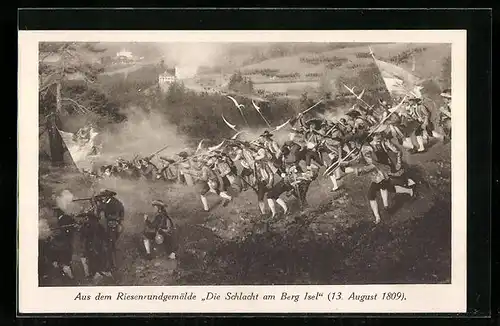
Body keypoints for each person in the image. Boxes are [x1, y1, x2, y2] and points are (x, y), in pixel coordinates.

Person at [347, 133, 415, 224]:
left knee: (371, 194)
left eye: (351, 143)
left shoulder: (366, 149)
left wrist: (359, 170)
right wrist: (347, 163)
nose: (351, 145)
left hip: (380, 173)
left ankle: (377, 217)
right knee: (389, 188)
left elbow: (372, 164)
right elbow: (359, 159)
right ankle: (409, 191)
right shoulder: (364, 148)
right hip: (378, 173)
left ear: (356, 143)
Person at [48, 207, 76, 280]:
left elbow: (65, 231)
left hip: (63, 244)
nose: (54, 214)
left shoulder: (64, 219)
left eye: (54, 212)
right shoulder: (65, 218)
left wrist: (55, 236)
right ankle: (69, 276)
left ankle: (71, 278)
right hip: (65, 243)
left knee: (64, 261)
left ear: (57, 213)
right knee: (65, 261)